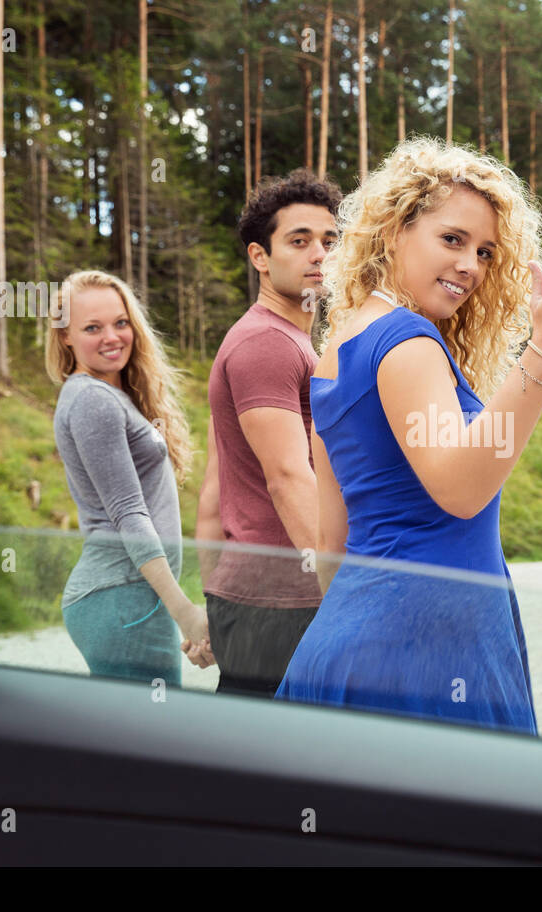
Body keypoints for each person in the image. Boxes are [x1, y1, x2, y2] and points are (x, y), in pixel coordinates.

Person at [274, 137, 542, 734]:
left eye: (485, 252)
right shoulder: (407, 340)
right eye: (452, 239)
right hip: (430, 648)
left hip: (352, 641)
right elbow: (459, 489)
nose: (470, 266)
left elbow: (332, 543)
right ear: (392, 232)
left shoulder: (337, 350)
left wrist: (357, 636)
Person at [194, 169, 343, 696]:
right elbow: (287, 476)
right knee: (279, 763)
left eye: (330, 240)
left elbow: (215, 491)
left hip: (255, 596)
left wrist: (214, 595)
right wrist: (341, 588)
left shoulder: (288, 341)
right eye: (298, 241)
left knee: (254, 762)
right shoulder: (267, 344)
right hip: (282, 602)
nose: (319, 254)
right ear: (260, 256)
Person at [47, 270, 208, 686]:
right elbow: (128, 515)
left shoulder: (108, 395)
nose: (112, 337)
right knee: (153, 738)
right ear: (65, 335)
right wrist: (184, 612)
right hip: (120, 596)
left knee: (140, 738)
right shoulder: (91, 400)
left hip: (132, 595)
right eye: (92, 328)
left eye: (121, 323)